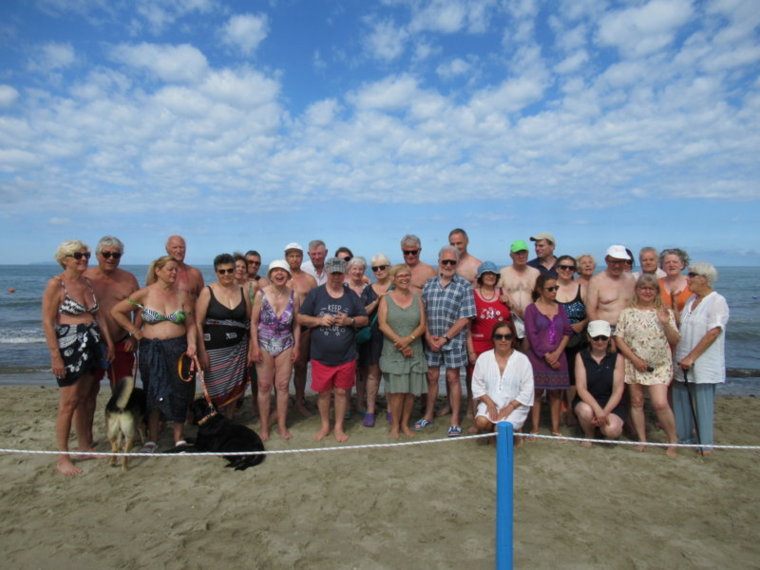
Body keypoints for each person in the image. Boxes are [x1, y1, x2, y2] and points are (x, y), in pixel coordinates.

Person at [112, 255, 198, 452]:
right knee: (153, 390)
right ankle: (152, 438)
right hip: (152, 349)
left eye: (176, 269)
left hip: (178, 348)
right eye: (169, 269)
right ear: (157, 271)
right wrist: (134, 331)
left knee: (180, 391)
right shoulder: (144, 294)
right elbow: (116, 311)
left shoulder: (183, 295)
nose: (174, 273)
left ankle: (179, 437)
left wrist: (192, 345)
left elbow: (191, 324)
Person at [42, 240, 114, 475]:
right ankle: (63, 456)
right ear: (64, 259)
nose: (83, 258)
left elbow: (99, 316)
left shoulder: (87, 283)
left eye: (85, 255)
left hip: (92, 342)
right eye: (77, 255)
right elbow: (47, 321)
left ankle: (84, 445)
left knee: (86, 397)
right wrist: (56, 357)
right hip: (69, 345)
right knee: (69, 402)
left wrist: (108, 343)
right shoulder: (56, 284)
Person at [298, 257, 368, 442]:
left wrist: (349, 321)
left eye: (339, 273)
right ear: (327, 273)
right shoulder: (316, 294)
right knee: (323, 393)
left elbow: (364, 319)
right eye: (333, 273)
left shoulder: (351, 295)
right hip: (320, 356)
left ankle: (338, 427)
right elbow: (301, 318)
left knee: (341, 392)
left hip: (346, 355)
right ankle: (325, 425)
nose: (336, 277)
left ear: (344, 273)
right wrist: (319, 320)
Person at [614, 274, 680, 456]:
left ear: (656, 292)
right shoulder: (628, 312)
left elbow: (675, 338)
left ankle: (673, 440)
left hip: (659, 365)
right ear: (637, 290)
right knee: (636, 402)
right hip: (634, 363)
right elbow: (619, 338)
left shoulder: (664, 311)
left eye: (651, 288)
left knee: (660, 403)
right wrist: (634, 360)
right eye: (643, 288)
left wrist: (666, 323)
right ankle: (642, 439)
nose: (647, 292)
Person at [418, 246, 476, 437]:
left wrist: (445, 338)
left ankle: (455, 421)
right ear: (439, 262)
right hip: (431, 341)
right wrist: (427, 336)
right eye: (445, 262)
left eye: (452, 262)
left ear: (457, 263)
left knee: (453, 379)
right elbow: (422, 313)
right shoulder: (429, 284)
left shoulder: (464, 286)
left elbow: (465, 317)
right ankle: (428, 415)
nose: (449, 265)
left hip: (453, 341)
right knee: (432, 378)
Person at [673, 263, 729, 454]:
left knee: (703, 404)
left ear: (704, 278)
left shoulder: (717, 301)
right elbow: (682, 323)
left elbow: (714, 332)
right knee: (681, 399)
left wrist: (692, 357)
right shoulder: (691, 300)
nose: (687, 278)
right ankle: (684, 438)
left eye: (691, 275)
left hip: (703, 363)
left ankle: (705, 445)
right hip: (682, 360)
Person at [250, 260, 300, 441]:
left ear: (288, 274)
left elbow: (296, 325)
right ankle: (264, 427)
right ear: (270, 275)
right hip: (264, 343)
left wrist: (297, 346)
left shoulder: (294, 296)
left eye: (283, 271)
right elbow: (254, 323)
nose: (279, 274)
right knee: (264, 386)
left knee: (283, 386)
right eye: (276, 271)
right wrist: (254, 346)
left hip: (286, 343)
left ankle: (281, 425)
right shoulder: (261, 295)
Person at [195, 254, 250, 418]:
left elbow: (250, 320)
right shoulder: (207, 291)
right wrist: (201, 351)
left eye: (230, 270)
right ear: (216, 272)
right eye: (222, 271)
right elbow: (198, 323)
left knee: (235, 386)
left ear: (235, 270)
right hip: (213, 351)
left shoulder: (242, 290)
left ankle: (229, 419)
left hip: (239, 349)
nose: (226, 274)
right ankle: (215, 420)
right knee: (215, 388)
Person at [377, 264, 428, 438]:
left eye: (407, 275)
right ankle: (395, 426)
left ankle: (405, 424)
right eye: (400, 276)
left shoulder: (418, 299)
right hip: (393, 351)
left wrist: (408, 341)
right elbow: (382, 324)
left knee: (410, 392)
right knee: (396, 392)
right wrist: (401, 343)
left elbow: (422, 325)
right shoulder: (386, 299)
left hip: (414, 350)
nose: (405, 278)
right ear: (393, 279)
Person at [84, 236, 140, 389]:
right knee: (87, 392)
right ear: (97, 255)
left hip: (121, 342)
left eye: (116, 255)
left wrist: (134, 337)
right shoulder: (85, 278)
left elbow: (139, 310)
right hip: (91, 344)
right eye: (106, 254)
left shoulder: (128, 279)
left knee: (122, 393)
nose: (111, 258)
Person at [524, 274, 572, 436]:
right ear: (540, 290)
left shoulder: (561, 308)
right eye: (550, 289)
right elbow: (532, 335)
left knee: (556, 394)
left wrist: (557, 353)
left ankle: (555, 429)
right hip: (537, 358)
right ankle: (535, 428)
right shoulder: (531, 309)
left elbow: (567, 332)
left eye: (556, 288)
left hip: (558, 357)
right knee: (536, 393)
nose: (554, 291)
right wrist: (546, 355)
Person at [472, 321, 534, 436]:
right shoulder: (483, 358)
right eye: (499, 336)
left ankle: (509, 432)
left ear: (513, 338)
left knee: (501, 429)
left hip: (516, 406)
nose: (503, 340)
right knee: (481, 422)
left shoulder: (523, 360)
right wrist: (489, 403)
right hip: (490, 403)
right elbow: (477, 385)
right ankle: (492, 430)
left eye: (508, 336)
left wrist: (510, 407)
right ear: (493, 338)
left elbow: (527, 390)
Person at [467, 261, 511, 417]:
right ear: (480, 276)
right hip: (478, 344)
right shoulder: (472, 295)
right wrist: (470, 350)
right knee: (476, 382)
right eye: (486, 273)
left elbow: (514, 317)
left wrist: (510, 303)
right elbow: (467, 325)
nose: (490, 276)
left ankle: (499, 412)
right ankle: (475, 415)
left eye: (493, 273)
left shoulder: (503, 292)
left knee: (500, 380)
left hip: (502, 345)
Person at [573, 320, 625, 445]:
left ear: (609, 338)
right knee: (586, 411)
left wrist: (604, 412)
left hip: (611, 403)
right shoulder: (581, 356)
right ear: (588, 338)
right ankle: (589, 434)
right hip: (588, 402)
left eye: (604, 337)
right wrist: (598, 410)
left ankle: (602, 428)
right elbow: (581, 388)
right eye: (595, 338)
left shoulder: (618, 358)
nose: (600, 341)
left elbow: (618, 390)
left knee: (612, 430)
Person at [358, 254, 393, 427]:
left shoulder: (396, 287)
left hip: (392, 335)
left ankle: (390, 409)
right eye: (375, 268)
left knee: (390, 373)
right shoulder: (368, 289)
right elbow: (361, 312)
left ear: (389, 268)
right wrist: (377, 301)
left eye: (382, 267)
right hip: (373, 336)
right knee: (372, 374)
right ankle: (370, 410)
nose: (379, 271)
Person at [285, 242, 318, 417]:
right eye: (291, 256)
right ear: (286, 258)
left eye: (297, 255)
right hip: (283, 328)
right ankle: (282, 402)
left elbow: (316, 303)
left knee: (301, 366)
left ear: (302, 257)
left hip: (304, 328)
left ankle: (299, 400)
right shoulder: (281, 277)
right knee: (281, 368)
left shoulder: (309, 279)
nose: (295, 259)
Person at [555, 254, 588, 424]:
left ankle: (572, 411)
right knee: (558, 375)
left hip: (577, 339)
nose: (567, 270)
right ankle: (559, 410)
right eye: (563, 267)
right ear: (557, 269)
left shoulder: (582, 288)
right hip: (556, 339)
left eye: (570, 268)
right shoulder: (551, 288)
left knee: (575, 378)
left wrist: (582, 324)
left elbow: (592, 312)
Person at [499, 240, 540, 347]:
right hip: (510, 319)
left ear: (528, 254)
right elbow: (495, 293)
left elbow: (540, 297)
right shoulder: (503, 273)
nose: (521, 256)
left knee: (528, 355)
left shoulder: (535, 273)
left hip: (530, 320)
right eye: (517, 253)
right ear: (511, 255)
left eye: (524, 253)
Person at [586, 245, 636, 329]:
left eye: (620, 262)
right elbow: (591, 311)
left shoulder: (631, 279)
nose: (617, 266)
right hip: (605, 329)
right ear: (606, 261)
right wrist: (600, 333)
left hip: (628, 328)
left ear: (625, 262)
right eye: (613, 262)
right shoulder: (596, 281)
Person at [164, 235, 204, 299]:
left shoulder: (195, 274)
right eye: (175, 247)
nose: (179, 251)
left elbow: (203, 300)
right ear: (167, 250)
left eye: (181, 247)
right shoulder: (158, 273)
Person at [659, 248, 692, 315]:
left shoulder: (691, 283)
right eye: (667, 262)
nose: (671, 265)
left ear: (682, 264)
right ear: (662, 266)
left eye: (675, 262)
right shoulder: (656, 284)